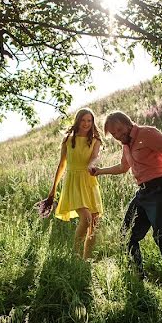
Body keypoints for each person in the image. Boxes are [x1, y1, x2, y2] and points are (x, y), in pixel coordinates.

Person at [90, 110, 162, 294]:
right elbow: (123, 167)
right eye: (114, 134)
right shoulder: (126, 145)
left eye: (120, 130)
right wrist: (99, 171)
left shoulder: (147, 133)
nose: (118, 136)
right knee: (126, 236)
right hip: (143, 192)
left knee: (161, 235)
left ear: (128, 124)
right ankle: (138, 278)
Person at [44, 108, 104, 259]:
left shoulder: (96, 140)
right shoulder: (68, 140)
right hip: (73, 182)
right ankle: (75, 256)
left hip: (89, 181)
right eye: (83, 120)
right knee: (86, 218)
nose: (86, 124)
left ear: (92, 122)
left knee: (95, 222)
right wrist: (53, 190)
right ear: (77, 121)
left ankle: (87, 259)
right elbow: (61, 165)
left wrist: (91, 165)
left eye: (89, 121)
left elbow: (95, 157)